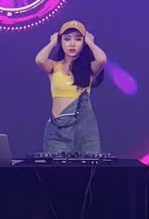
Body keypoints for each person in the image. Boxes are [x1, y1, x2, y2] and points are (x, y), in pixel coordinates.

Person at [34, 20, 108, 154]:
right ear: (60, 41)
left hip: (83, 130)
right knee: (55, 166)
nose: (72, 44)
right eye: (67, 39)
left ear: (83, 42)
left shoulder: (88, 68)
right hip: (58, 130)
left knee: (86, 166)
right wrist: (52, 43)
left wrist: (90, 42)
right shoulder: (54, 66)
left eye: (78, 39)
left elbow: (102, 59)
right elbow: (39, 60)